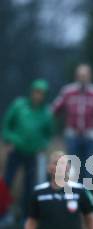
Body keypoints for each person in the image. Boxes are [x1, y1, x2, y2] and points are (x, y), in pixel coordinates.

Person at [2, 79, 54, 214]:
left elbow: (49, 134)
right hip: (16, 150)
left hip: (32, 154)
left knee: (30, 186)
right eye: (37, 92)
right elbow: (7, 125)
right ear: (31, 92)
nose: (38, 96)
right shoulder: (19, 105)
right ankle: (2, 212)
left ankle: (26, 217)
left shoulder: (46, 113)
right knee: (7, 182)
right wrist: (8, 141)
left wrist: (43, 145)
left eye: (42, 93)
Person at [52, 64, 93, 180]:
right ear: (76, 77)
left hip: (90, 135)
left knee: (89, 168)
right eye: (80, 75)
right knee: (72, 167)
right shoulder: (67, 91)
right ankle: (73, 195)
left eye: (85, 75)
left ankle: (86, 196)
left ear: (90, 76)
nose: (82, 78)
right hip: (72, 135)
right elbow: (55, 109)